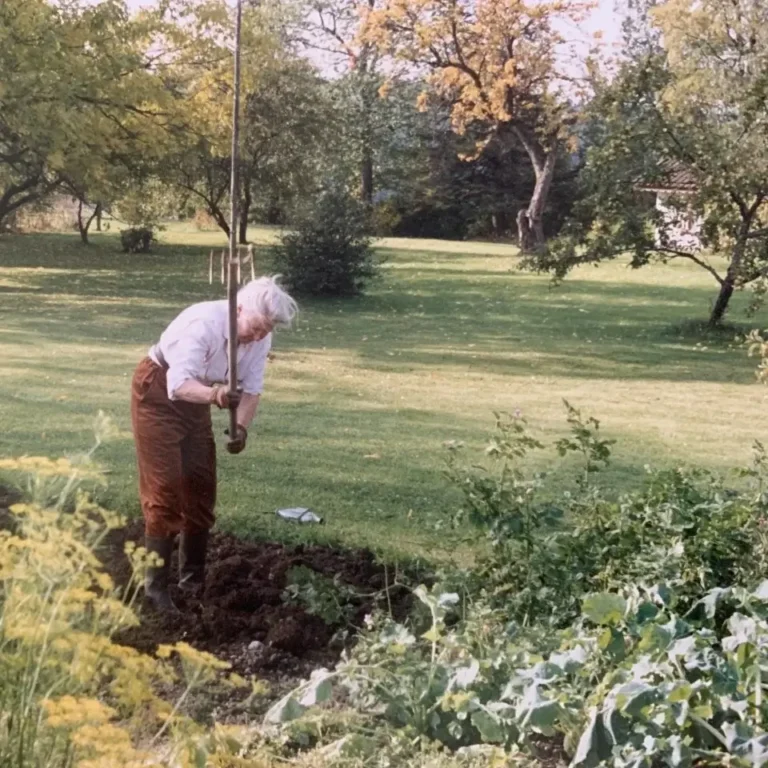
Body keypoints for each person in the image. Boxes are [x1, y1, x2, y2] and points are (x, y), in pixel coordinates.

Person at [130, 275, 298, 615]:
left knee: (201, 489)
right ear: (238, 309)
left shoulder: (258, 337)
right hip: (159, 393)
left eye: (267, 330)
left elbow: (252, 389)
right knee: (165, 492)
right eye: (256, 327)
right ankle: (155, 589)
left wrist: (240, 428)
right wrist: (217, 395)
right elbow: (178, 385)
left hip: (198, 400)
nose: (260, 336)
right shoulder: (202, 324)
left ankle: (191, 581)